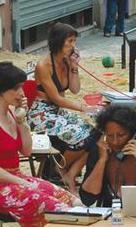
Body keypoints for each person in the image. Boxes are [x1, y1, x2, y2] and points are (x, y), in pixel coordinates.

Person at [0, 61, 79, 227]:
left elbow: (26, 151)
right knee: (60, 210)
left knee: (72, 200)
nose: (21, 93)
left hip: (15, 178)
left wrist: (22, 121)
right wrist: (21, 182)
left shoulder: (10, 112)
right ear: (1, 90)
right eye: (16, 88)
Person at [28, 23, 100, 195]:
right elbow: (57, 98)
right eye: (70, 41)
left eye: (74, 41)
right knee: (80, 136)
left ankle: (68, 174)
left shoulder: (66, 61)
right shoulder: (43, 65)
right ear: (59, 41)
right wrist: (86, 108)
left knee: (95, 134)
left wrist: (74, 67)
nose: (73, 45)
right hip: (42, 112)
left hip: (57, 110)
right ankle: (57, 170)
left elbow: (75, 89)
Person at [79, 105, 136, 208]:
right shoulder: (99, 152)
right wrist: (102, 161)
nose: (115, 141)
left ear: (133, 134)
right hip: (109, 217)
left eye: (121, 135)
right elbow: (87, 199)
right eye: (109, 135)